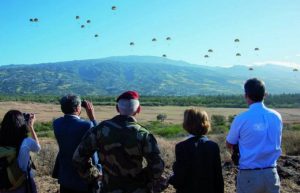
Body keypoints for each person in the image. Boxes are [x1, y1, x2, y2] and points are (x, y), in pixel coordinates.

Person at [72, 91, 165, 193]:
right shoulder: (143, 135)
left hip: (107, 188)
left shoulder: (99, 130)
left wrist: (95, 176)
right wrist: (142, 179)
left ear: (117, 108)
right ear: (139, 109)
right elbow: (157, 167)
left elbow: (78, 159)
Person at [226, 78, 282, 193]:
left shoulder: (241, 119)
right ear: (265, 95)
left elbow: (229, 143)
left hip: (249, 174)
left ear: (246, 96)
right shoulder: (277, 116)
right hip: (271, 173)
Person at [168, 108, 224, 193]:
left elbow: (181, 177)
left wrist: (170, 179)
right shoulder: (213, 146)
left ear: (186, 124)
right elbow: (218, 177)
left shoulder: (181, 147)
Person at [53, 94, 100, 193]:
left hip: (65, 176)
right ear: (77, 108)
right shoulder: (87, 125)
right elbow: (99, 139)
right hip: (83, 177)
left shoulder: (56, 123)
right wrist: (92, 118)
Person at [0, 110, 40, 193]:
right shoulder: (26, 142)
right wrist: (31, 126)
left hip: (3, 185)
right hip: (22, 184)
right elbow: (37, 148)